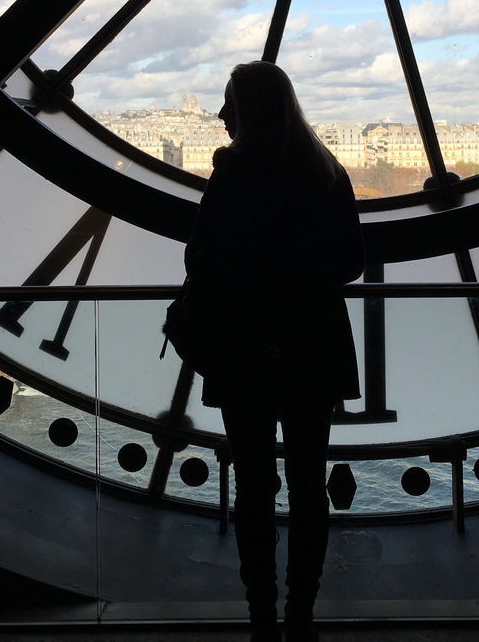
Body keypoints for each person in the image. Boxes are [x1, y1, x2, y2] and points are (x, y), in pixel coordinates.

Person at [185, 61, 364, 642]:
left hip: (244, 351)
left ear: (247, 112)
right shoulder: (326, 174)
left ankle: (262, 614)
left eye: (228, 103)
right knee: (309, 486)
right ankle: (299, 614)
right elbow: (349, 263)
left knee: (254, 488)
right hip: (312, 345)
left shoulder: (233, 174)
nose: (220, 115)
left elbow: (202, 261)